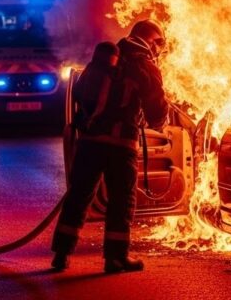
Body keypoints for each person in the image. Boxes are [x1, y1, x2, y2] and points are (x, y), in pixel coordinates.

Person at [51, 20, 169, 273]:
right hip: (120, 145)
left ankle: (61, 253)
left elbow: (81, 91)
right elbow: (156, 110)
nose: (159, 51)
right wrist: (159, 123)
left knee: (78, 196)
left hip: (90, 141)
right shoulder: (144, 66)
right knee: (121, 201)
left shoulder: (106, 58)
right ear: (152, 42)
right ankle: (115, 258)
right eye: (159, 44)